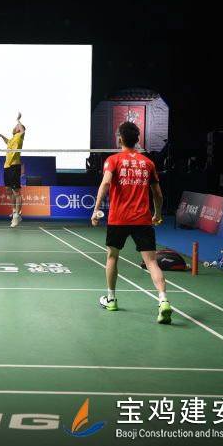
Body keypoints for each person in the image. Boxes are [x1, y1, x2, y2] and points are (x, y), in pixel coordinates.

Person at [91, 121, 172, 324]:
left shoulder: (113, 160)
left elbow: (106, 183)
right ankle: (163, 300)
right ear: (137, 140)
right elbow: (158, 194)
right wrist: (157, 214)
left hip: (118, 218)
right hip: (142, 219)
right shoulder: (148, 163)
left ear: (120, 139)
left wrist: (96, 209)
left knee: (112, 256)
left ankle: (111, 299)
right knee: (151, 262)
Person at [0, 112, 25, 227]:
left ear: (18, 130)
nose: (14, 127)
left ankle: (17, 215)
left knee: (16, 192)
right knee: (8, 190)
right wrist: (0, 135)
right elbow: (7, 142)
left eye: (16, 127)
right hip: (7, 166)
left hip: (14, 166)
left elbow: (23, 131)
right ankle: (14, 210)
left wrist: (18, 120)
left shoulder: (19, 137)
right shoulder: (12, 140)